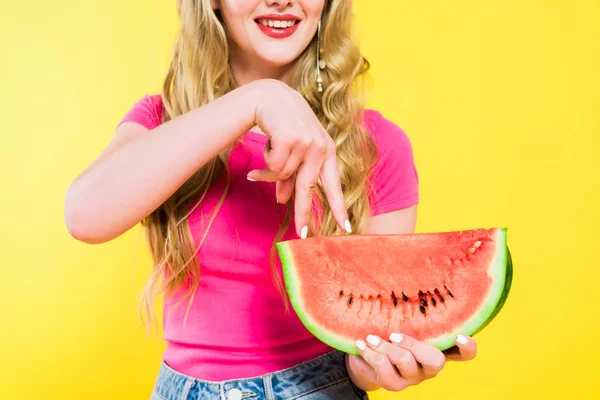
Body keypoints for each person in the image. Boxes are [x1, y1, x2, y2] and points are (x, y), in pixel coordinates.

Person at [64, 0, 478, 398]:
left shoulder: (379, 145)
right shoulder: (163, 122)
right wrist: (255, 100)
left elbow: (367, 338)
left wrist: (373, 365)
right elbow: (84, 215)